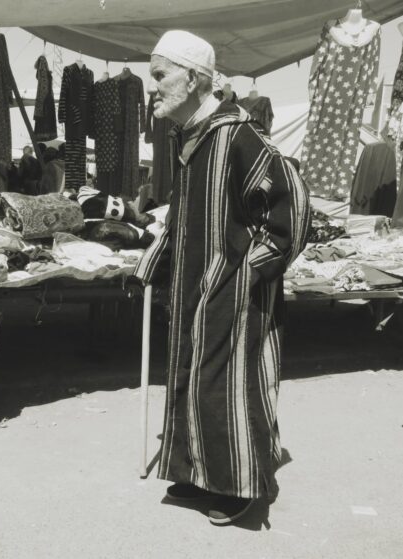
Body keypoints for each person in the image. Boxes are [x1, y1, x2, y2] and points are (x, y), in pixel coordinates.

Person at [134, 30, 310, 525]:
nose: (154, 86)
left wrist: (249, 270)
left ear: (192, 78)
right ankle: (196, 472)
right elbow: (184, 216)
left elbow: (292, 205)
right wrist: (155, 260)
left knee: (227, 383)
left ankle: (238, 486)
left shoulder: (238, 135)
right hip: (194, 286)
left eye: (160, 74)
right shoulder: (190, 138)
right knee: (190, 377)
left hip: (231, 289)